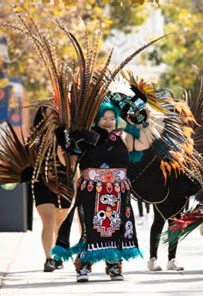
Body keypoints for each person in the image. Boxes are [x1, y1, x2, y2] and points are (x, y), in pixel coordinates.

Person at [53, 102, 142, 282]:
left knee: (116, 227)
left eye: (112, 119)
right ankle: (84, 264)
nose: (108, 122)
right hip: (92, 191)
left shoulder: (124, 137)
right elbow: (68, 162)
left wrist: (139, 122)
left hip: (118, 192)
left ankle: (114, 265)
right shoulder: (85, 138)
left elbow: (143, 144)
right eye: (104, 118)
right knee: (91, 229)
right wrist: (62, 142)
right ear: (96, 119)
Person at [29, 107, 72, 272]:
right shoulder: (35, 137)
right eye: (47, 117)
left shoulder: (66, 135)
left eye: (54, 116)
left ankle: (57, 253)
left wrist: (62, 149)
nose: (50, 120)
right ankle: (49, 259)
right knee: (49, 221)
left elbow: (69, 162)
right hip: (41, 182)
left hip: (64, 183)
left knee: (58, 224)